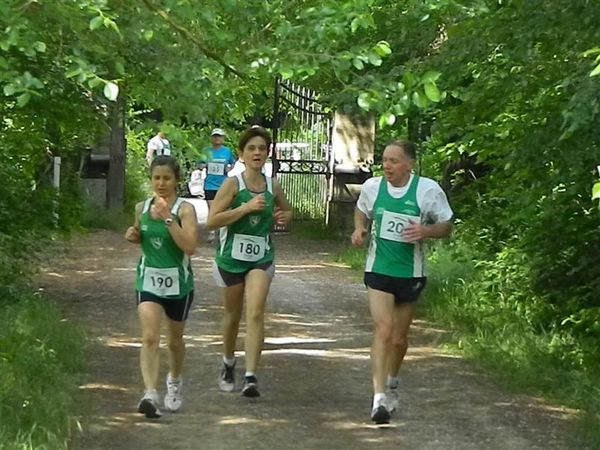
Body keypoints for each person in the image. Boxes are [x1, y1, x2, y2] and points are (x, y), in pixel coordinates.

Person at [351, 140, 453, 425]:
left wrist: (426, 230)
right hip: (379, 270)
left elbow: (446, 225)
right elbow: (361, 210)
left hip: (410, 273)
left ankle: (392, 381)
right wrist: (359, 228)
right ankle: (378, 398)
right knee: (383, 329)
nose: (387, 166)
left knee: (399, 339)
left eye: (394, 161)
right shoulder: (373, 187)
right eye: (384, 160)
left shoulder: (427, 190)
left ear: (409, 164)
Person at [207, 125, 292, 398]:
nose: (257, 153)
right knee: (232, 316)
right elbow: (211, 221)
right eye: (251, 148)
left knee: (255, 311)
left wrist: (284, 217)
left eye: (262, 149)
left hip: (261, 258)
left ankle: (251, 376)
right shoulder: (233, 184)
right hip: (230, 258)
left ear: (268, 154)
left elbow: (288, 209)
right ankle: (228, 362)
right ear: (241, 154)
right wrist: (244, 208)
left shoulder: (273, 185)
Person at [124, 155, 198, 418]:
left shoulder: (185, 210)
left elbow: (190, 246)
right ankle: (150, 394)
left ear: (176, 180)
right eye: (157, 178)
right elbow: (139, 232)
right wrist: (133, 235)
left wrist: (168, 218)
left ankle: (174, 380)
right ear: (151, 179)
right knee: (150, 336)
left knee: (175, 341)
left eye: (167, 178)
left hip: (178, 284)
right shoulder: (141, 207)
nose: (161, 183)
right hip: (148, 280)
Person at [198, 128, 236, 208]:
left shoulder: (227, 151)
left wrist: (229, 168)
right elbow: (199, 164)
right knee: (212, 209)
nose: (217, 138)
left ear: (223, 138)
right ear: (211, 138)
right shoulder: (206, 151)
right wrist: (203, 166)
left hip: (223, 184)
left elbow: (233, 163)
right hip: (210, 185)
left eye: (219, 136)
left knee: (223, 209)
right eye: (215, 136)